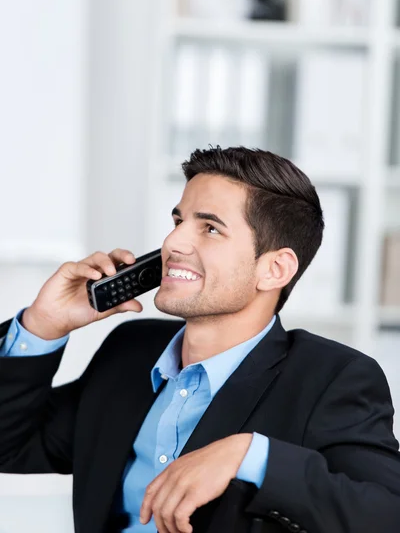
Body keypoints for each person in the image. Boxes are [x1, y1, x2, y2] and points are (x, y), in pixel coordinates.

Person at [0, 146, 399, 533]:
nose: (173, 243)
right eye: (178, 222)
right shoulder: (128, 351)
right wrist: (42, 324)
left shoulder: (332, 379)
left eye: (210, 228)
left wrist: (250, 455)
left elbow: (386, 514)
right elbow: (10, 444)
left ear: (275, 269)